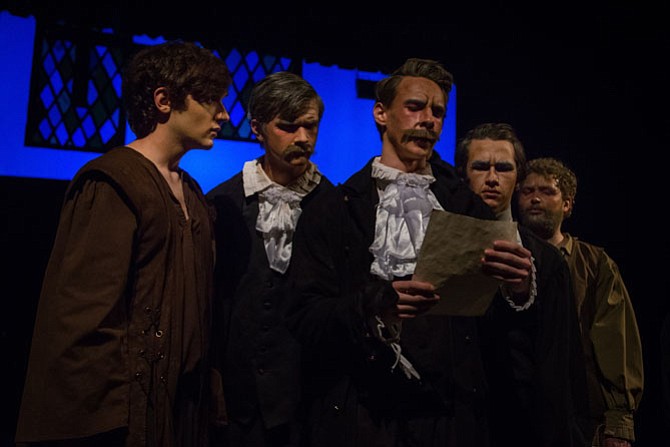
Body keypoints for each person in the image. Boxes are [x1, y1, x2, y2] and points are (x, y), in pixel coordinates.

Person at [285, 58, 535, 447]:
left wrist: (517, 288)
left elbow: (494, 329)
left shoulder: (463, 204)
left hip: (448, 413)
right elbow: (304, 316)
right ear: (381, 113)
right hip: (365, 414)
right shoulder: (335, 208)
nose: (429, 120)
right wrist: (374, 306)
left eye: (438, 111)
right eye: (415, 107)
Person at [15, 41, 232, 447]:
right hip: (126, 418)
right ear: (164, 100)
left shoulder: (194, 194)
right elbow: (84, 317)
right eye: (209, 99)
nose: (223, 113)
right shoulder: (113, 182)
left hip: (181, 412)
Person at [206, 71, 333, 447]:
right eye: (289, 127)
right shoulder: (223, 204)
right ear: (258, 129)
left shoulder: (335, 205)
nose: (303, 138)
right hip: (237, 404)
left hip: (308, 400)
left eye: (310, 126)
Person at [454, 123, 588, 447]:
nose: (492, 178)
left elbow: (562, 360)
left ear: (517, 180)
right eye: (480, 167)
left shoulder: (548, 261)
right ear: (462, 175)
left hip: (522, 424)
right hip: (455, 417)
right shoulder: (439, 245)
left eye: (503, 168)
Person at [517, 157, 644, 447]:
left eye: (547, 191)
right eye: (527, 191)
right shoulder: (504, 256)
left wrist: (619, 423)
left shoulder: (594, 264)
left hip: (580, 417)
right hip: (519, 411)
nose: (535, 198)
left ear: (567, 204)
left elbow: (617, 343)